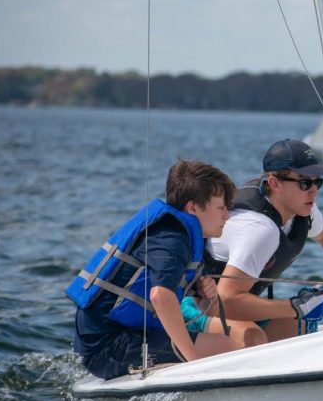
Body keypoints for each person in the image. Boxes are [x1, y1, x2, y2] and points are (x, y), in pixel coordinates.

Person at [67, 159, 244, 380]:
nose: (227, 215)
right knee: (224, 347)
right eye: (221, 207)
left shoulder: (187, 236)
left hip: (121, 337)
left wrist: (207, 297)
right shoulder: (171, 237)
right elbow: (160, 296)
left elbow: (201, 309)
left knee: (224, 343)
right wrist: (194, 361)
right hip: (108, 347)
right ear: (193, 207)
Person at [198, 139, 323, 342]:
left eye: (317, 182)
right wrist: (294, 307)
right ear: (274, 183)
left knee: (297, 327)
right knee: (252, 337)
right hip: (192, 306)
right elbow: (226, 301)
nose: (314, 191)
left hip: (223, 307)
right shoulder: (258, 229)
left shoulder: (301, 208)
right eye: (305, 182)